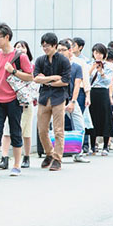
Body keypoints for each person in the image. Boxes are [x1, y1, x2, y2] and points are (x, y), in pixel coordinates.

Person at [0, 24, 34, 177]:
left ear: (7, 37)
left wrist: (14, 71)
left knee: (16, 131)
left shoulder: (20, 56)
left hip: (14, 99)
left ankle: (16, 165)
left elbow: (30, 77)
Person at [33, 33, 71, 170]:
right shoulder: (40, 60)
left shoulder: (63, 60)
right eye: (43, 46)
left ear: (54, 45)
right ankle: (49, 153)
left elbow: (65, 81)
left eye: (47, 46)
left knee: (58, 130)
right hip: (43, 97)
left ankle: (57, 158)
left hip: (59, 98)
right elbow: (36, 78)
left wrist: (46, 80)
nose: (45, 48)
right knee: (42, 129)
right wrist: (53, 78)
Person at [0, 40, 35, 169]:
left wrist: (13, 71)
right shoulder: (8, 63)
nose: (20, 49)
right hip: (11, 101)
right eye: (17, 47)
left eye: (23, 47)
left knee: (26, 132)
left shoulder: (31, 66)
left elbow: (32, 82)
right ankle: (4, 158)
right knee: (7, 131)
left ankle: (26, 156)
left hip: (26, 103)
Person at [59, 39, 90, 163]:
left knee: (79, 126)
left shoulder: (77, 65)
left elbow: (77, 85)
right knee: (56, 128)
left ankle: (78, 152)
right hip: (57, 100)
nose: (61, 52)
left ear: (70, 50)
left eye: (63, 50)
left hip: (71, 99)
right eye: (59, 50)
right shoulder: (55, 65)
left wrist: (72, 101)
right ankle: (55, 153)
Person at [87, 44, 113, 155]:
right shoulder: (89, 64)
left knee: (105, 118)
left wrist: (101, 72)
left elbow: (108, 82)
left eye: (100, 53)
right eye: (95, 53)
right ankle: (93, 146)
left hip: (103, 92)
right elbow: (85, 79)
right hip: (92, 92)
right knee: (92, 118)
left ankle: (105, 146)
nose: (97, 55)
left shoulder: (109, 66)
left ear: (104, 54)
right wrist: (92, 69)